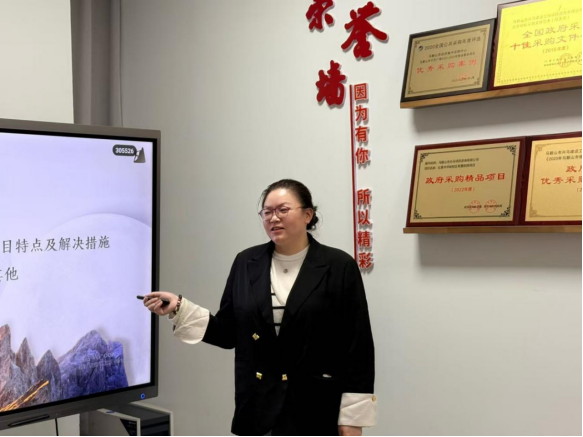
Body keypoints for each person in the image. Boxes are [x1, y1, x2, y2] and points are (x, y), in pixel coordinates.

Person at [144, 179, 376, 436]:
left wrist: (352, 418)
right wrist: (179, 307)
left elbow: (358, 347)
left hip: (315, 405)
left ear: (308, 215)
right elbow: (228, 332)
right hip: (257, 404)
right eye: (267, 212)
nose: (273, 218)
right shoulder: (246, 262)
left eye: (283, 210)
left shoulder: (339, 266)